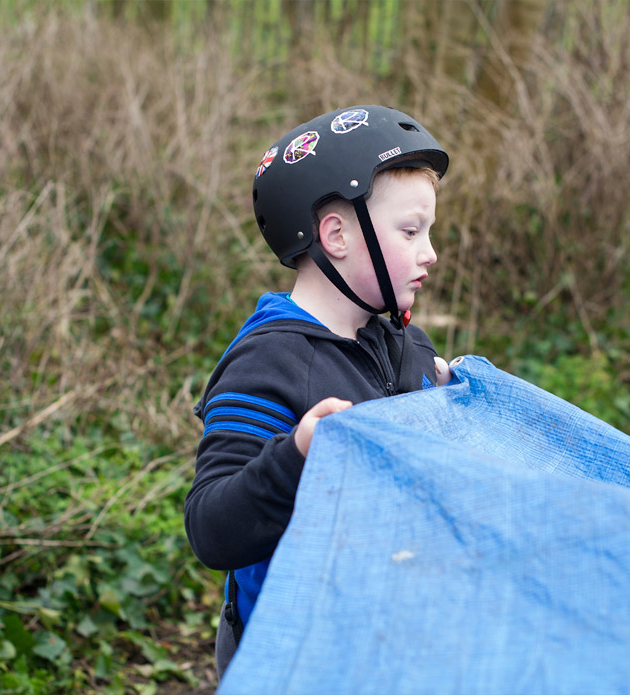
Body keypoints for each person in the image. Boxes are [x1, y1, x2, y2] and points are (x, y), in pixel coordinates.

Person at [184, 105, 451, 679]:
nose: (430, 252)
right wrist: (297, 453)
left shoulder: (408, 344)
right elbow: (211, 528)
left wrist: (452, 405)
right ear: (336, 235)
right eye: (411, 231)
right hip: (296, 659)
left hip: (386, 640)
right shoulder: (268, 364)